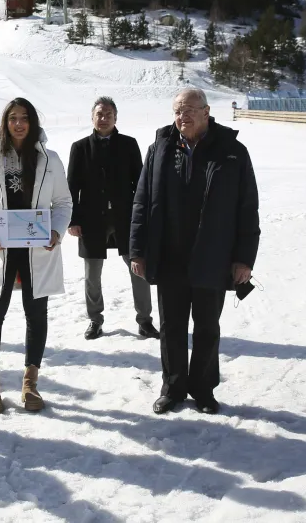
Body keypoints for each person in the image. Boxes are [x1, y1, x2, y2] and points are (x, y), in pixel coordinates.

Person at [130, 88, 260, 416]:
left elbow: (248, 208)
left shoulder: (232, 152)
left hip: (212, 256)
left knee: (206, 327)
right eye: (177, 110)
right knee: (171, 327)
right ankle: (172, 389)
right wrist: (137, 250)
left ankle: (203, 390)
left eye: (189, 109)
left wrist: (244, 258)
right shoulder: (158, 149)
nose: (182, 116)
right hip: (170, 256)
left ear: (206, 112)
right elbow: (141, 202)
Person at [0, 98, 72, 415]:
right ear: (5, 123)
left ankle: (30, 383)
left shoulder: (50, 160)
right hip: (1, 250)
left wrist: (55, 231)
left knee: (36, 314)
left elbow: (63, 203)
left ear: (33, 122)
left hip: (36, 250)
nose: (19, 123)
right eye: (12, 118)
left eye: (24, 117)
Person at [67, 97, 158, 341]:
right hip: (91, 221)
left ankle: (145, 321)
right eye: (100, 114)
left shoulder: (129, 145)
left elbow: (140, 184)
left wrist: (142, 217)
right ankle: (95, 320)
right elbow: (71, 187)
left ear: (116, 117)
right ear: (92, 117)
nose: (104, 118)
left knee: (138, 269)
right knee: (92, 275)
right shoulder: (80, 147)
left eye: (108, 114)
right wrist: (73, 220)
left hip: (125, 219)